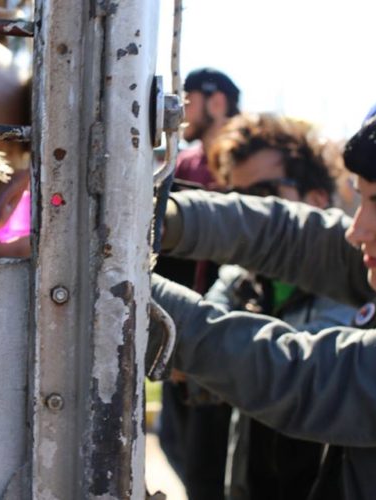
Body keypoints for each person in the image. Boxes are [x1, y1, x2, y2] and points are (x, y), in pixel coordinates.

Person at [150, 74, 376, 499]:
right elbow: (293, 236)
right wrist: (162, 218)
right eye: (362, 198)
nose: (358, 231)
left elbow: (301, 379)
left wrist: (131, 294)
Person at [203, 113, 355, 500]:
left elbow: (297, 370)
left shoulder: (360, 286)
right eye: (235, 200)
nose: (245, 216)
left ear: (317, 199)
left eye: (263, 195)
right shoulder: (239, 279)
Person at [153, 67, 241, 499]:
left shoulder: (246, 162)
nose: (183, 110)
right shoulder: (184, 164)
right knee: (175, 439)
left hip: (231, 329)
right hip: (181, 323)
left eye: (189, 99)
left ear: (217, 101)